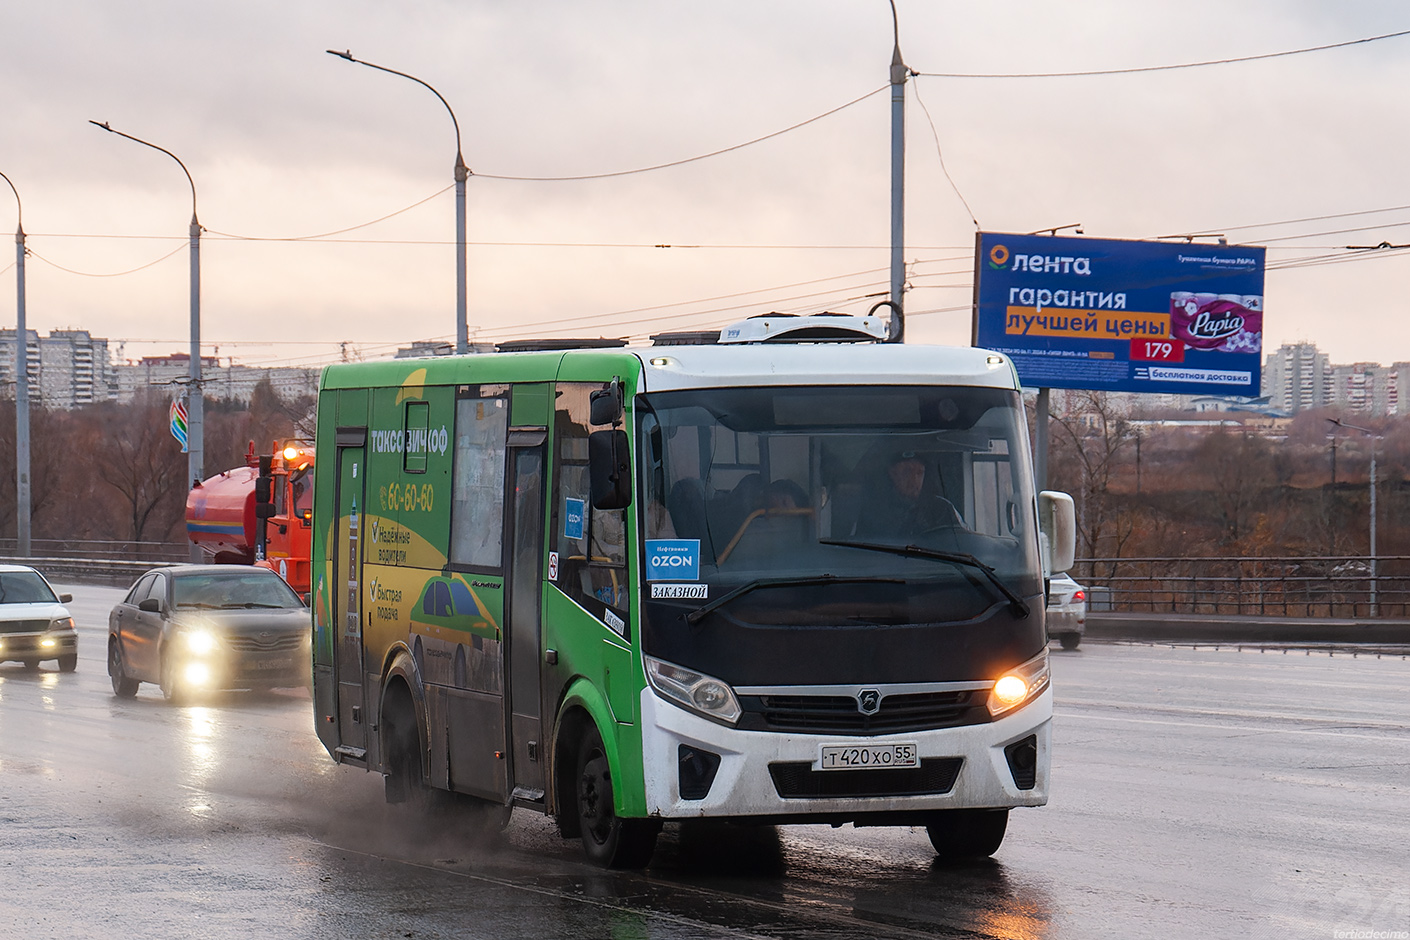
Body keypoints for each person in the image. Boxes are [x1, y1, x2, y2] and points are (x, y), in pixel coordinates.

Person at [856, 451, 964, 538]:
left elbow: (960, 544)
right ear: (892, 473)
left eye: (919, 473)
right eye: (906, 472)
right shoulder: (874, 510)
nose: (914, 480)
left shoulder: (942, 509)